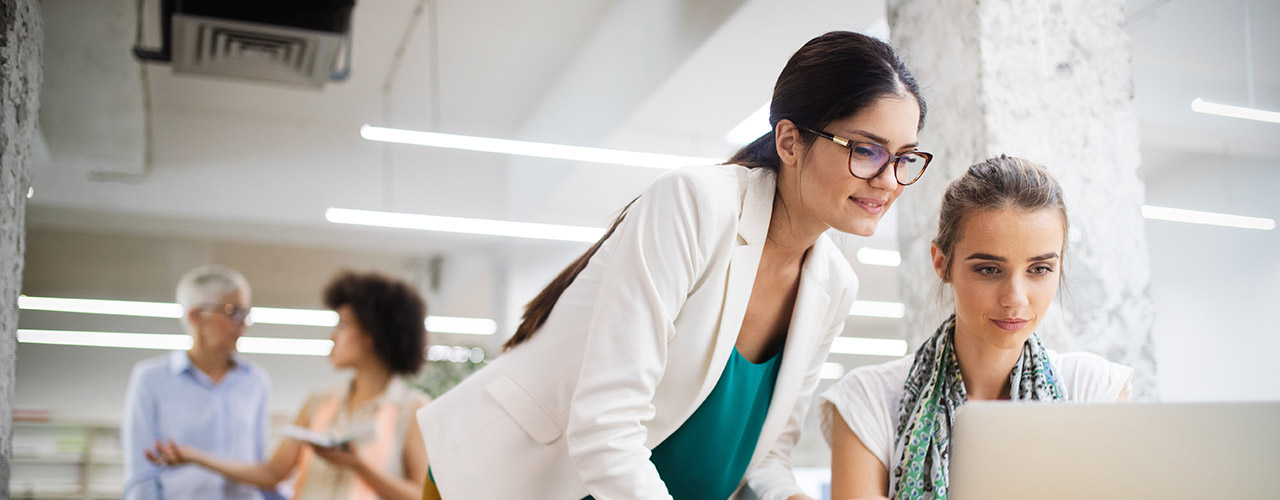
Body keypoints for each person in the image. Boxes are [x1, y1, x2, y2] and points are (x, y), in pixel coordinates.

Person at [417, 31, 933, 500]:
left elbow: (765, 459)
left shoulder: (834, 285)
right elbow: (606, 428)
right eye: (866, 150)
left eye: (906, 157)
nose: (888, 180)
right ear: (790, 141)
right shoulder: (694, 205)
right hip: (511, 483)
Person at [819, 156, 1134, 500]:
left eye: (1040, 269)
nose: (1015, 299)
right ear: (942, 263)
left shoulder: (1093, 389)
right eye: (988, 269)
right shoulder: (869, 399)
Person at [148, 271, 431, 500]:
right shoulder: (318, 403)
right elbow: (272, 473)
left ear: (372, 335)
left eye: (343, 325)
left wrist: (358, 466)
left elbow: (422, 495)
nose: (332, 336)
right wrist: (195, 457)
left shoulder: (412, 409)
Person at [122, 265, 273, 499]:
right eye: (233, 311)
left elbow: (260, 465)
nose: (244, 322)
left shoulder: (255, 382)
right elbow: (141, 474)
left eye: (246, 312)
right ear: (196, 316)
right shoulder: (151, 379)